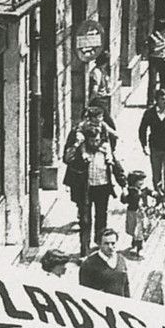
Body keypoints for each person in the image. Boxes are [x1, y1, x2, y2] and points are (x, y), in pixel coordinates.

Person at [64, 124, 121, 257]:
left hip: (102, 188)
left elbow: (116, 167)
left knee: (101, 218)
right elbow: (67, 160)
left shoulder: (105, 150)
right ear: (87, 140)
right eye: (91, 141)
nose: (95, 143)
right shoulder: (81, 152)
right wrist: (76, 147)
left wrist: (123, 184)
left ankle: (100, 247)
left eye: (97, 140)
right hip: (86, 190)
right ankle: (84, 250)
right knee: (85, 221)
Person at [78, 229, 130, 297]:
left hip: (119, 305)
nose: (110, 247)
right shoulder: (88, 265)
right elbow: (84, 292)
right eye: (106, 244)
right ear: (99, 244)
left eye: (113, 243)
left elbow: (126, 286)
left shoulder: (121, 260)